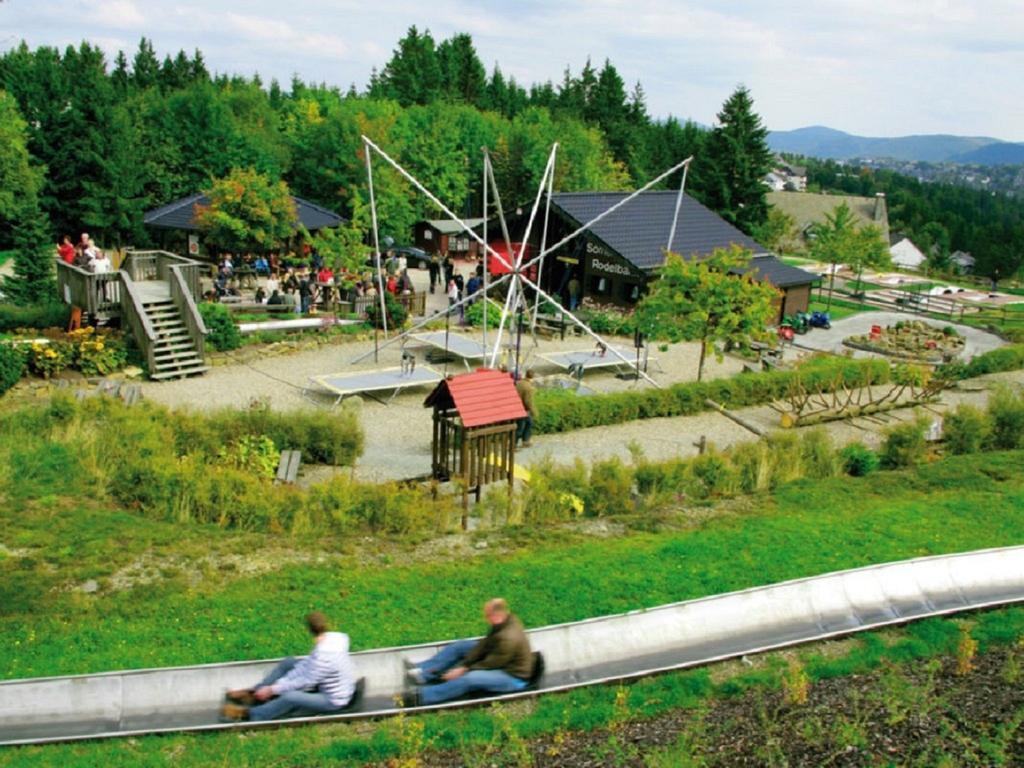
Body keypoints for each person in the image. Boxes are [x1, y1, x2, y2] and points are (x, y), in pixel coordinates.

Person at [222, 611, 356, 722]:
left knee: (291, 697)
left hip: (333, 699)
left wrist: (273, 689)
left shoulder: (324, 656)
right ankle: (255, 693)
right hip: (323, 683)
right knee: (289, 663)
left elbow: (305, 682)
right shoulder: (334, 639)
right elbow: (305, 667)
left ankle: (253, 714)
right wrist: (271, 688)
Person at [403, 598, 533, 707]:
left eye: (487, 615)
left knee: (470, 679)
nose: (485, 618)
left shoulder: (508, 637)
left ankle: (422, 697)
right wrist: (464, 664)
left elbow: (490, 664)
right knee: (461, 646)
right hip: (498, 656)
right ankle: (422, 672)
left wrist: (463, 670)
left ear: (496, 616)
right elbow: (485, 644)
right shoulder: (503, 621)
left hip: (513, 676)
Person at [515, 369, 538, 448]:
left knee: (529, 423)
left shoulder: (519, 383)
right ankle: (514, 445)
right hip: (523, 410)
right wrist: (534, 411)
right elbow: (528, 402)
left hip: (516, 407)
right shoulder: (528, 387)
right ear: (533, 377)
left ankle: (525, 440)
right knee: (520, 428)